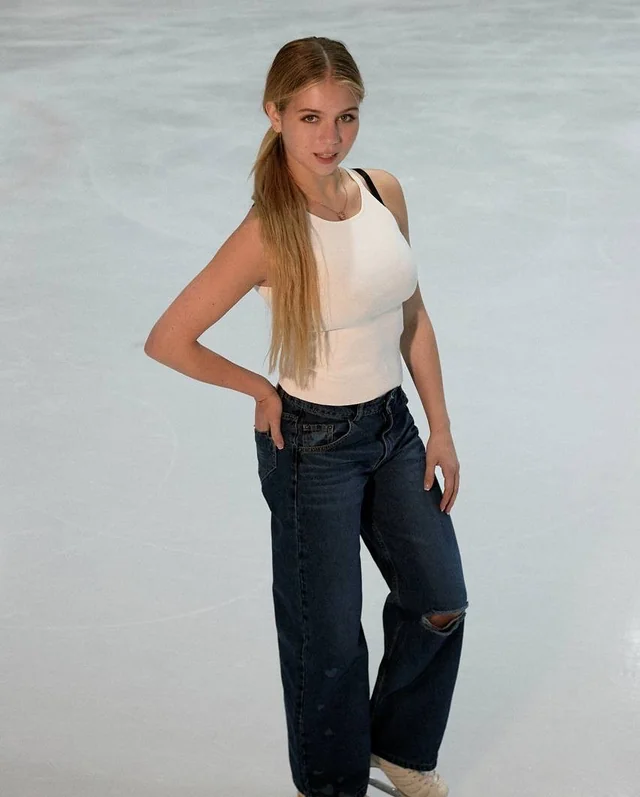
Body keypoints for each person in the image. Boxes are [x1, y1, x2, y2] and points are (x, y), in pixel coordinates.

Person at [144, 35, 468, 797]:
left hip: (393, 431)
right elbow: (170, 338)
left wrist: (440, 424)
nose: (331, 138)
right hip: (312, 448)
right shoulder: (270, 228)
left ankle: (397, 747)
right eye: (311, 118)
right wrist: (261, 390)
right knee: (327, 642)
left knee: (439, 599)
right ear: (276, 114)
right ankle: (332, 784)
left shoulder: (383, 191)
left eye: (346, 117)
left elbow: (412, 313)